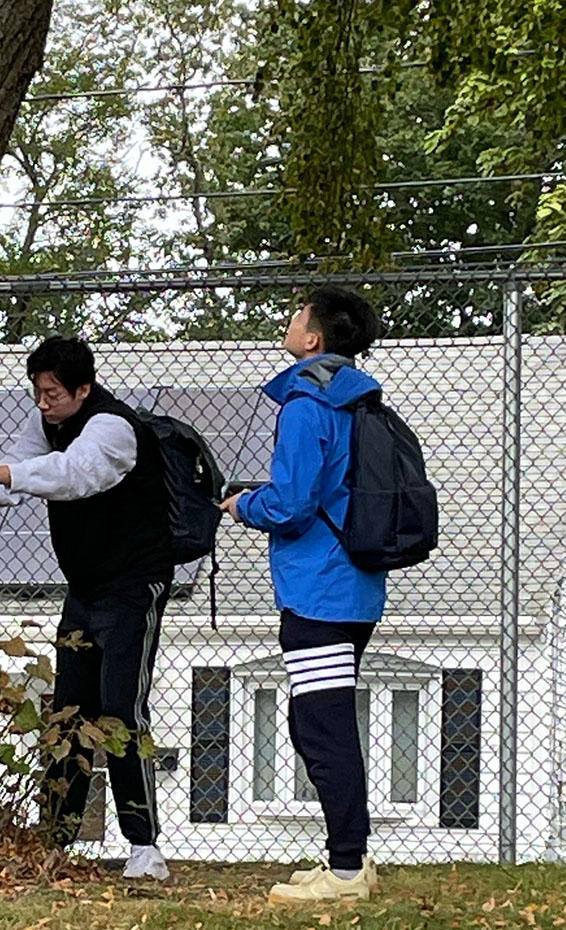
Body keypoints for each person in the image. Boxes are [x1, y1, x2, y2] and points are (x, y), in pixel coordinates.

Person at [0, 335, 173, 881]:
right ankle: (56, 838)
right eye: (37, 392)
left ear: (84, 388)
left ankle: (144, 845)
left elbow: (70, 476)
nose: (43, 403)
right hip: (83, 590)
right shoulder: (48, 424)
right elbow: (18, 475)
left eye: (53, 393)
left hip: (133, 587)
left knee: (120, 711)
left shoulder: (113, 428)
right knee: (68, 713)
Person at [220, 285, 385, 903]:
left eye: (297, 315)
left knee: (322, 726)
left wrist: (244, 504)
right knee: (323, 719)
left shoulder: (304, 402)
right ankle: (351, 858)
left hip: (317, 589)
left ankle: (345, 871)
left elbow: (291, 503)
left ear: (313, 338)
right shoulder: (358, 401)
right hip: (358, 586)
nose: (290, 322)